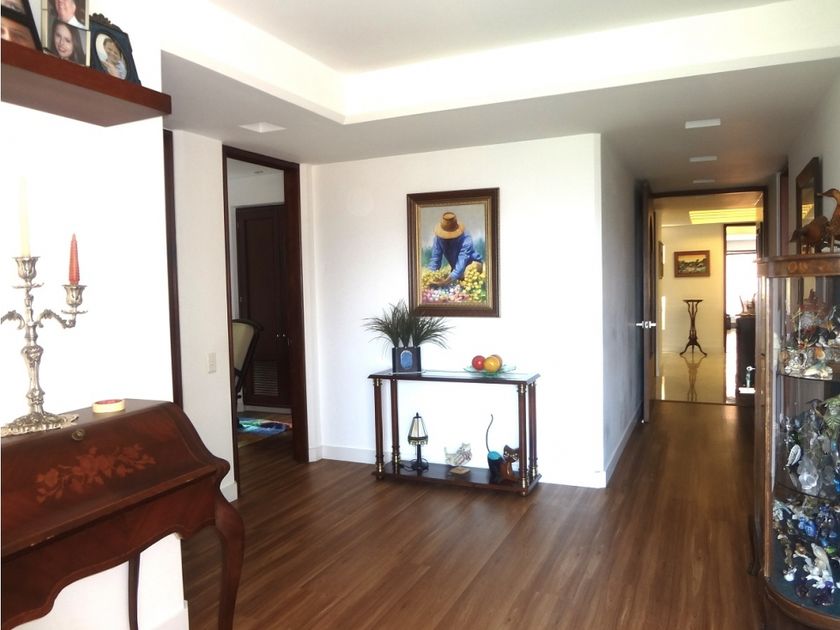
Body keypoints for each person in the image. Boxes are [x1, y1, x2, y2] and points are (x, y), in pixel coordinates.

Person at [427, 211, 483, 286]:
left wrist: (446, 281)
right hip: (457, 268)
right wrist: (430, 275)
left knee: (466, 276)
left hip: (471, 264)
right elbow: (435, 260)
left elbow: (462, 259)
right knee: (449, 278)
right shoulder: (438, 238)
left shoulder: (466, 238)